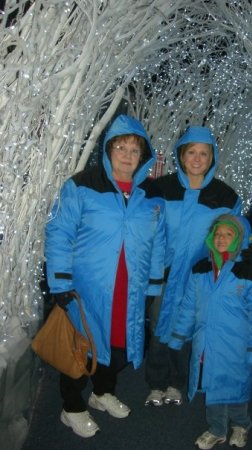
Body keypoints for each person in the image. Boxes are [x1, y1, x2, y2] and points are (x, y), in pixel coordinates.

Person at [44, 114, 165, 438]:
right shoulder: (81, 186)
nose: (127, 155)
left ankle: (102, 393)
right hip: (87, 288)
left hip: (130, 288)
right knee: (81, 347)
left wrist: (153, 284)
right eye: (120, 147)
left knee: (117, 343)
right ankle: (72, 407)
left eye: (134, 150)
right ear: (108, 151)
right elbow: (59, 233)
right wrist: (60, 282)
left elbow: (158, 243)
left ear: (143, 157)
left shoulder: (151, 197)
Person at [145, 126, 252, 407]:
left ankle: (176, 383)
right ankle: (156, 384)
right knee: (159, 327)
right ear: (181, 156)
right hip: (164, 275)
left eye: (204, 153)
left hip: (198, 277)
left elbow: (240, 232)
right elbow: (145, 227)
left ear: (212, 157)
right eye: (191, 153)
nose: (197, 159)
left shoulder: (225, 197)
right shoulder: (161, 189)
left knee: (185, 330)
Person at [169, 214, 252, 449]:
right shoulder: (201, 270)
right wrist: (179, 335)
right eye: (217, 234)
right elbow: (188, 305)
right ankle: (217, 429)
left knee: (235, 387)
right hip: (205, 343)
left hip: (236, 346)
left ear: (240, 240)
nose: (221, 238)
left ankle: (241, 424)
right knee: (212, 386)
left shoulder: (250, 275)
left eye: (229, 234)